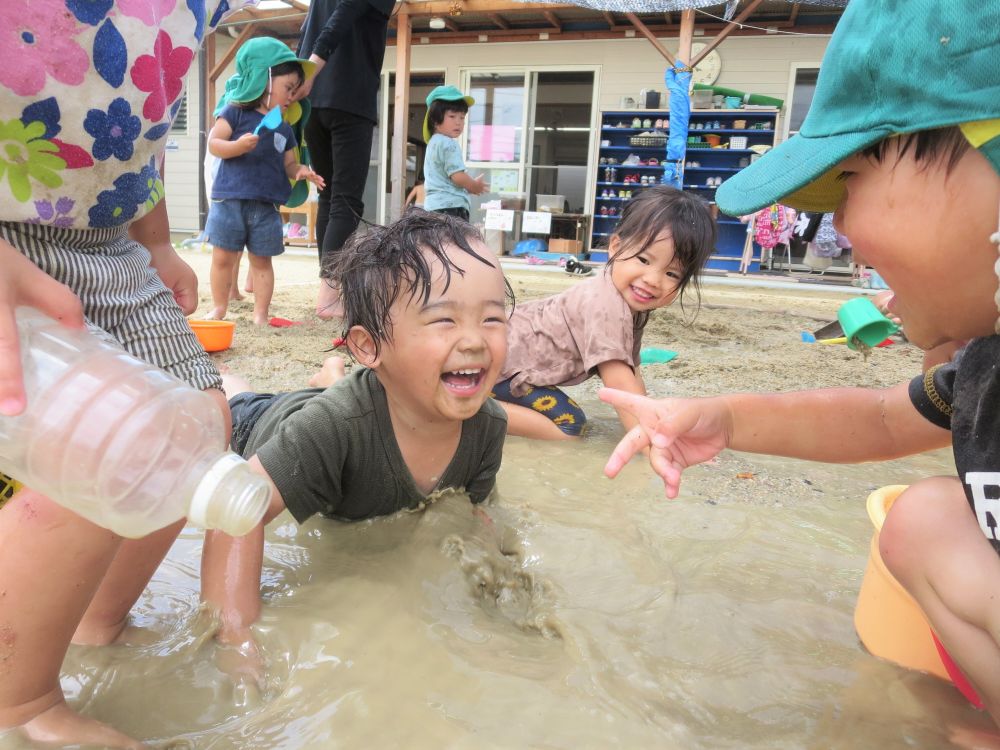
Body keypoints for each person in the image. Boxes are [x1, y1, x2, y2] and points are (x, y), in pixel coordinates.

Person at [599, 0, 1000, 728]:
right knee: (925, 518)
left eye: (849, 182)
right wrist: (723, 418)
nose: (838, 226)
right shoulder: (983, 365)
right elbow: (880, 421)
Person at [0, 3, 258, 747]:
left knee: (201, 415)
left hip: (111, 241)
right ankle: (17, 699)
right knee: (100, 435)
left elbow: (137, 138)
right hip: (12, 233)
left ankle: (92, 619)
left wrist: (159, 244)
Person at [200, 211, 510, 650]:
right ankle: (233, 381)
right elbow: (233, 511)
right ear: (369, 345)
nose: (476, 340)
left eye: (492, 319)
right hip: (270, 424)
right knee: (234, 407)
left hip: (359, 399)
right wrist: (236, 634)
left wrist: (502, 583)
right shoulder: (330, 429)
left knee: (342, 396)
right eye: (445, 320)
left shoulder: (489, 426)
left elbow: (476, 515)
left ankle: (330, 372)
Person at [494, 185, 715, 440]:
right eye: (644, 260)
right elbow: (620, 386)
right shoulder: (605, 306)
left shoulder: (630, 305)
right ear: (616, 246)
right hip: (501, 367)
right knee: (569, 426)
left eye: (672, 273)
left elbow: (633, 380)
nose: (653, 280)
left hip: (505, 356)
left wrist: (657, 422)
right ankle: (474, 413)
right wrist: (654, 444)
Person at [203, 38, 325, 326]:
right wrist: (237, 147)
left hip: (266, 207)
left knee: (262, 262)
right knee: (222, 258)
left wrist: (300, 171)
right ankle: (219, 308)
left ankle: (261, 313)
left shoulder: (283, 127)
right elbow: (214, 143)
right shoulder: (233, 112)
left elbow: (289, 164)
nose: (292, 96)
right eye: (288, 88)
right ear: (264, 79)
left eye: (296, 91)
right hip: (229, 200)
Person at [294, 0, 395, 320]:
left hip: (315, 103)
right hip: (350, 98)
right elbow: (342, 17)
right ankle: (329, 295)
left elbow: (307, 28)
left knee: (329, 197)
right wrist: (311, 67)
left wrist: (302, 75)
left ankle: (328, 290)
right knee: (346, 200)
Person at [422, 85, 489, 221]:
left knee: (439, 242)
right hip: (452, 209)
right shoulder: (449, 143)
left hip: (432, 208)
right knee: (454, 242)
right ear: (435, 120)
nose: (458, 122)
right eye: (452, 116)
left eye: (462, 117)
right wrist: (474, 186)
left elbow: (445, 180)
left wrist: (468, 187)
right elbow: (457, 177)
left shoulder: (433, 143)